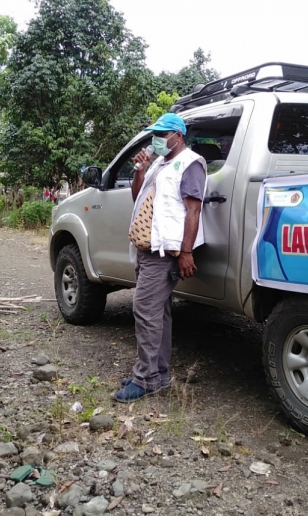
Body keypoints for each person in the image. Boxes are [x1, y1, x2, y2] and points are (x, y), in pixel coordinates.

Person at [114, 113, 207, 403]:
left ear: (178, 136)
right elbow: (138, 198)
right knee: (159, 314)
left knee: (144, 310)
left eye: (162, 133)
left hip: (164, 251)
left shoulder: (190, 163)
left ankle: (146, 378)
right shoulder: (158, 164)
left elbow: (193, 211)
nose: (157, 139)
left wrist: (186, 252)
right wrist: (140, 171)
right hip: (145, 249)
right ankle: (159, 374)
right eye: (155, 133)